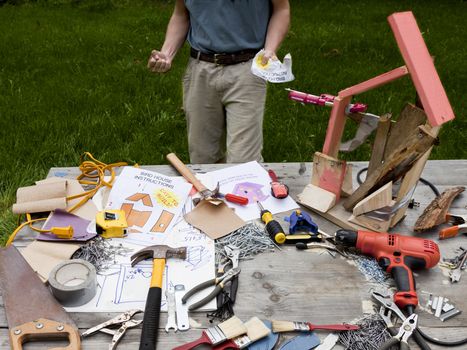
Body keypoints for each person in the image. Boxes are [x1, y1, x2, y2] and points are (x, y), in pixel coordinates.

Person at [148, 0, 290, 164]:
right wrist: (167, 53)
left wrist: (270, 50)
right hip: (200, 69)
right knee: (203, 160)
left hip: (247, 69)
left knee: (245, 163)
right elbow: (182, 14)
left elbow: (281, 9)